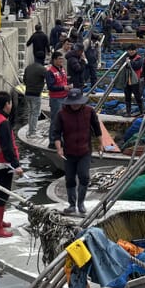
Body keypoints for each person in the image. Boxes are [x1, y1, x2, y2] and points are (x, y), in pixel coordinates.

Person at [49, 88, 103, 216]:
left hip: (85, 151)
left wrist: (100, 143)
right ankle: (72, 204)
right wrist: (58, 148)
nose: (75, 105)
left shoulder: (89, 111)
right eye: (73, 103)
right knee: (70, 179)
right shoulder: (61, 114)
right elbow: (56, 133)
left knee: (84, 176)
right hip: (69, 151)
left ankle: (81, 203)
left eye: (77, 102)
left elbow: (96, 128)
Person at [0, 91, 24, 239]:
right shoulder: (3, 123)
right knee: (3, 194)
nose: (11, 105)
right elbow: (7, 147)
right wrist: (16, 165)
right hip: (3, 164)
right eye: (10, 103)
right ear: (7, 104)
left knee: (0, 193)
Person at [45, 50, 70, 133]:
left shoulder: (62, 69)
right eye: (59, 59)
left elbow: (64, 80)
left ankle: (61, 139)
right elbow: (51, 87)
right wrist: (64, 88)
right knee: (55, 120)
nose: (61, 61)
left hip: (64, 97)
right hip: (56, 99)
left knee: (63, 119)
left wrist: (68, 86)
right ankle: (52, 141)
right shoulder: (50, 72)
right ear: (54, 60)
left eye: (62, 59)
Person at [22, 54, 46, 137]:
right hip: (36, 94)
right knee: (35, 113)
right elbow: (49, 78)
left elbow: (24, 80)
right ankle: (32, 132)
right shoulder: (42, 69)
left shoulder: (28, 67)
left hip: (27, 93)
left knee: (31, 112)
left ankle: (30, 130)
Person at [121, 48, 144, 115]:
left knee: (138, 96)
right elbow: (122, 66)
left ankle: (141, 111)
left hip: (135, 81)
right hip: (127, 80)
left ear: (135, 50)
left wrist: (130, 62)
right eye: (130, 50)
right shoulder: (125, 58)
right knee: (127, 97)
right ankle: (128, 112)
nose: (131, 51)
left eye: (132, 50)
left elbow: (137, 66)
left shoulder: (139, 58)